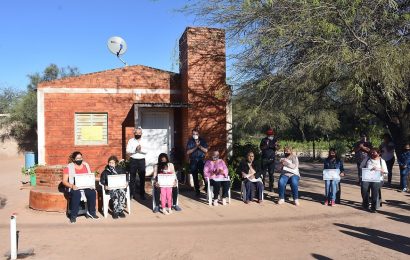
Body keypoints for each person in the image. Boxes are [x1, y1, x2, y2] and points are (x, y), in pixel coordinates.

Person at [62, 151, 98, 223]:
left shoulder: (86, 165)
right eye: (77, 158)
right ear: (74, 159)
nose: (79, 159)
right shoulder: (69, 167)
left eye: (81, 158)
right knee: (76, 194)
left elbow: (89, 176)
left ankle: (92, 212)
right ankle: (73, 216)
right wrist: (72, 186)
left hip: (85, 185)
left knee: (92, 192)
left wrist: (91, 184)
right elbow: (64, 181)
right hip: (74, 186)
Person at [360, 148, 388, 213]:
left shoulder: (382, 161)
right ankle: (365, 204)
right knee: (364, 189)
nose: (372, 154)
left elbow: (386, 172)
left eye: (374, 152)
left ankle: (373, 207)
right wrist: (367, 170)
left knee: (374, 191)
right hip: (367, 178)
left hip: (377, 179)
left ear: (378, 153)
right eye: (371, 152)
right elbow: (361, 166)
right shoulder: (367, 159)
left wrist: (379, 170)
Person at [126, 127, 147, 200]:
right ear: (134, 133)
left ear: (141, 134)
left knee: (142, 178)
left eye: (139, 133)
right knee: (132, 178)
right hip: (133, 160)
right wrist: (135, 150)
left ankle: (142, 194)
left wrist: (140, 150)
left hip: (141, 160)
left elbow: (147, 150)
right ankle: (132, 194)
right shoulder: (131, 141)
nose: (138, 134)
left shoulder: (144, 141)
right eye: (136, 133)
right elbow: (128, 150)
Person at [186, 128, 208, 197]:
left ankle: (207, 189)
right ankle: (197, 192)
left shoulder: (203, 141)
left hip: (201, 160)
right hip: (193, 160)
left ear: (199, 134)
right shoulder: (190, 141)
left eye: (196, 134)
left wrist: (200, 146)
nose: (195, 135)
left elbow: (206, 150)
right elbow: (188, 152)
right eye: (193, 134)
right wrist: (196, 147)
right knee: (195, 177)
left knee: (204, 175)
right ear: (192, 134)